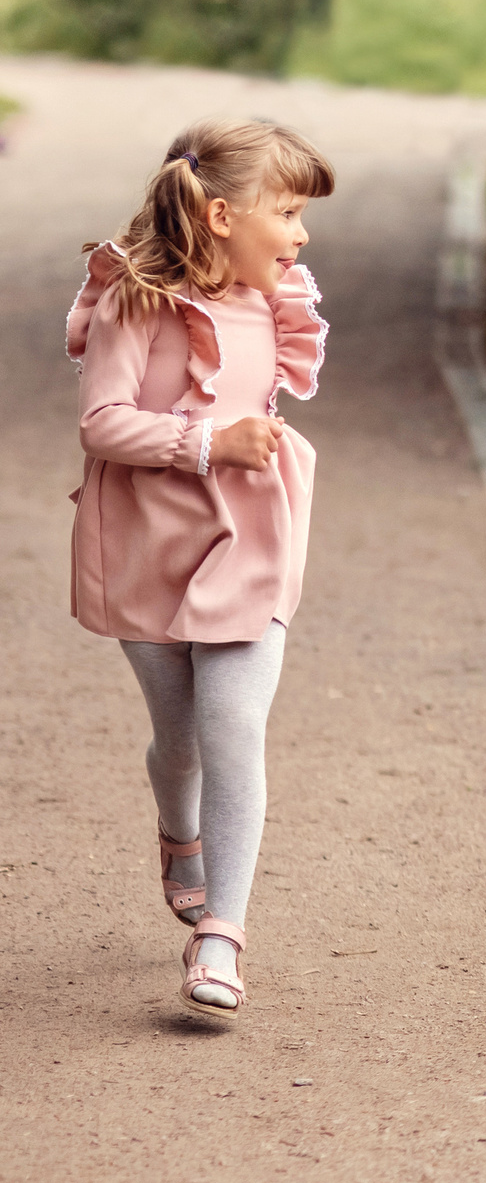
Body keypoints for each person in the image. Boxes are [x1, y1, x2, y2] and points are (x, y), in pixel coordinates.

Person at [67, 119, 336, 1018]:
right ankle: (178, 832)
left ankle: (221, 935)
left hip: (252, 537)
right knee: (178, 740)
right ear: (222, 214)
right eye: (288, 211)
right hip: (148, 540)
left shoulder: (277, 300)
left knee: (232, 726)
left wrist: (241, 447)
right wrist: (207, 439)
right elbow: (102, 422)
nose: (300, 234)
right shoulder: (132, 303)